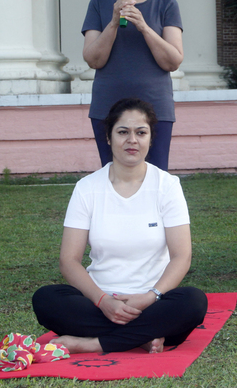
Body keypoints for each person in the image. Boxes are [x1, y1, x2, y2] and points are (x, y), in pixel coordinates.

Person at [32, 98, 207, 354]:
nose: (132, 140)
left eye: (141, 133)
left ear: (150, 138)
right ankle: (142, 337)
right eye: (123, 132)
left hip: (153, 302)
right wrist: (103, 301)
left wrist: (149, 297)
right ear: (109, 137)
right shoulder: (87, 188)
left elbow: (182, 256)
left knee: (193, 302)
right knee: (46, 299)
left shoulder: (167, 186)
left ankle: (92, 343)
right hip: (99, 303)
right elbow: (69, 260)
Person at [82, 0, 183, 171]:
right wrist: (114, 22)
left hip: (155, 106)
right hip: (108, 105)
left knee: (155, 177)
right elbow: (93, 59)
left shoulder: (166, 4)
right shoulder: (98, 4)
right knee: (114, 176)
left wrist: (144, 27)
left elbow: (173, 61)